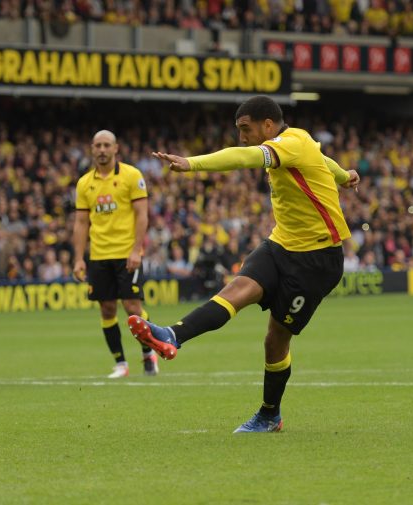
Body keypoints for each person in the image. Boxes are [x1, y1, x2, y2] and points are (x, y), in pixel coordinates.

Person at [129, 96, 360, 432]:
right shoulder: (301, 144)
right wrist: (344, 175)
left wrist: (191, 163)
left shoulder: (291, 142)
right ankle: (172, 335)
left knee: (275, 340)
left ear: (268, 125)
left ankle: (270, 414)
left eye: (245, 128)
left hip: (317, 260)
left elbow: (244, 157)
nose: (242, 136)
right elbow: (325, 161)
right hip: (281, 244)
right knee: (237, 289)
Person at [72, 129, 158, 379]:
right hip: (98, 256)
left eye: (106, 145)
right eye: (97, 145)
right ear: (91, 148)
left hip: (126, 253)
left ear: (115, 148)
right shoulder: (84, 183)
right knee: (107, 309)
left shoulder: (132, 175)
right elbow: (80, 223)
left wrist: (136, 249)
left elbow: (142, 215)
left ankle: (148, 353)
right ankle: (121, 363)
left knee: (132, 307)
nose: (102, 149)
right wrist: (79, 257)